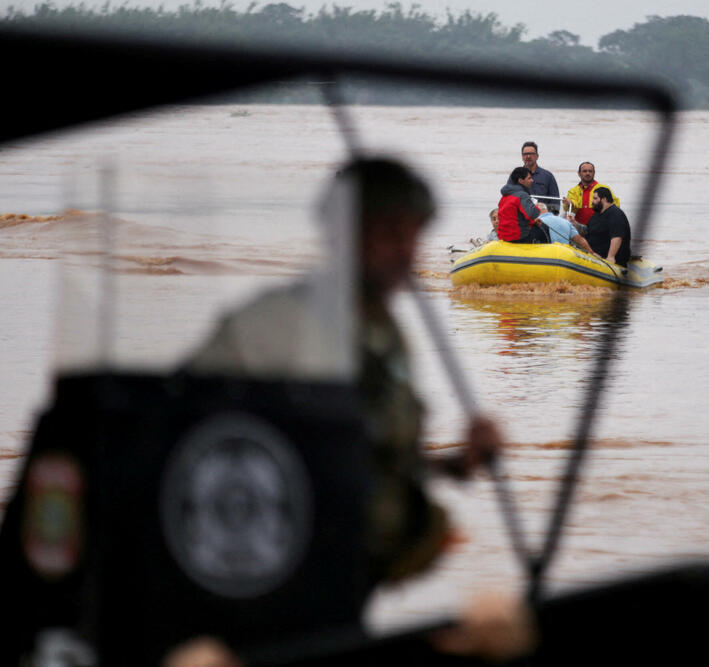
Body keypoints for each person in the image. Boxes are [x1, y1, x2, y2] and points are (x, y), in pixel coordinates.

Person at [185, 157, 533, 664]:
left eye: (413, 234)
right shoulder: (276, 327)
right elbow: (211, 455)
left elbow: (366, 459)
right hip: (268, 609)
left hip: (346, 593)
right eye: (388, 232)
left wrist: (458, 463)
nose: (405, 251)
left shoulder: (382, 335)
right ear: (341, 234)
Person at [497, 166, 548, 244]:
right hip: (519, 237)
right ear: (521, 181)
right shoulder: (522, 195)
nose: (532, 180)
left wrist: (532, 222)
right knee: (544, 227)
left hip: (503, 236)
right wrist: (537, 207)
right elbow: (533, 214)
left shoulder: (505, 196)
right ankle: (546, 251)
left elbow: (514, 217)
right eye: (529, 178)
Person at [585, 187, 631, 266]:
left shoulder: (615, 214)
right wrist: (574, 223)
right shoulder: (597, 214)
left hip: (609, 260)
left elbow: (617, 236)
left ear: (604, 199)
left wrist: (611, 256)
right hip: (593, 255)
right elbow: (587, 229)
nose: (592, 201)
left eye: (595, 198)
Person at [566, 162, 620, 226]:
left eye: (590, 171)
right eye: (584, 171)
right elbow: (569, 209)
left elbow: (615, 206)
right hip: (579, 228)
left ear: (594, 173)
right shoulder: (573, 191)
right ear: (579, 173)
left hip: (600, 227)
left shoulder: (604, 188)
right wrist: (569, 203)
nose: (587, 173)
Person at [519, 141, 560, 212]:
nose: (528, 156)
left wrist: (545, 213)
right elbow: (508, 200)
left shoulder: (548, 176)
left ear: (537, 156)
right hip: (522, 219)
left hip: (543, 219)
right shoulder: (515, 176)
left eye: (531, 154)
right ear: (522, 157)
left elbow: (555, 204)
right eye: (525, 154)